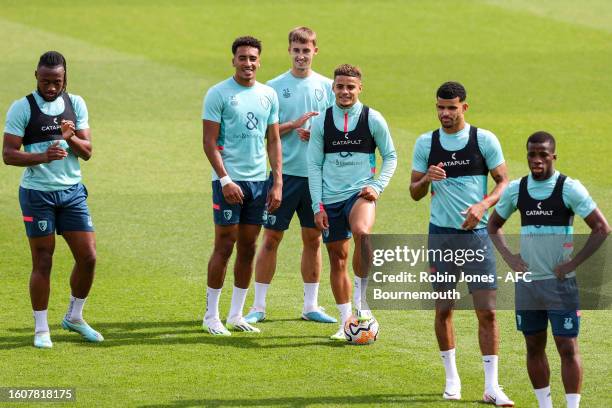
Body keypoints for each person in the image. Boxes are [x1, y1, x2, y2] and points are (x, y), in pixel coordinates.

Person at [488, 131, 610, 408]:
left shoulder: (568, 188)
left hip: (561, 286)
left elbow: (602, 228)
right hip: (528, 285)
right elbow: (493, 225)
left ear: (553, 156)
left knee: (567, 348)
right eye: (532, 154)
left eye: (543, 154)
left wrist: (572, 264)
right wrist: (509, 257)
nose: (537, 160)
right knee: (533, 346)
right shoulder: (517, 189)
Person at [409, 81, 513, 405]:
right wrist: (427, 178)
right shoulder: (426, 143)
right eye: (440, 107)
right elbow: (414, 192)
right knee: (444, 309)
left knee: (488, 312)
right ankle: (452, 379)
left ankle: (491, 387)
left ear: (464, 107)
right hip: (441, 237)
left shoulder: (484, 140)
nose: (445, 113)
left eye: (452, 107)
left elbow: (504, 182)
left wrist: (483, 205)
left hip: (478, 237)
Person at [2, 51, 102, 348]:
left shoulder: (76, 104)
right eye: (45, 81)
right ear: (36, 76)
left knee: (88, 257)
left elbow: (87, 152)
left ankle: (74, 316)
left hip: (72, 193)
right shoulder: (22, 108)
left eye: (56, 82)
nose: (50, 87)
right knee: (43, 260)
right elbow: (8, 154)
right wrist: (42, 156)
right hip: (37, 195)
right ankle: (41, 329)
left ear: (64, 78)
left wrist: (70, 138)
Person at [244, 27, 336, 325]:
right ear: (289, 51)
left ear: (315, 51)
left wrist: (317, 134)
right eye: (296, 50)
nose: (301, 55)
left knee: (313, 239)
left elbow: (339, 132)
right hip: (284, 176)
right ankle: (258, 306)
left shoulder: (328, 87)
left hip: (316, 179)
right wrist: (291, 125)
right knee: (270, 238)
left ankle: (310, 306)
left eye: (306, 50)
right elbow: (262, 134)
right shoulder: (272, 88)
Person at [307, 64, 397, 340]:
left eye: (350, 87)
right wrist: (317, 206)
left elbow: (390, 156)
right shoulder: (322, 121)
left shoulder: (373, 118)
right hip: (330, 198)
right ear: (333, 88)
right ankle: (346, 321)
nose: (345, 91)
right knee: (338, 259)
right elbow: (313, 164)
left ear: (360, 88)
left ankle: (362, 304)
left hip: (360, 193)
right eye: (340, 86)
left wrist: (377, 185)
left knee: (362, 233)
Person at [201, 36, 282, 335]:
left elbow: (273, 140)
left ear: (259, 61)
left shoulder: (268, 95)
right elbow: (209, 142)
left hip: (259, 182)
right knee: (224, 245)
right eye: (242, 58)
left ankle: (236, 314)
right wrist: (225, 179)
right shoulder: (218, 94)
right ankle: (211, 315)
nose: (247, 63)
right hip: (228, 183)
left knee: (248, 247)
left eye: (252, 58)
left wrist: (277, 183)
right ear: (233, 60)